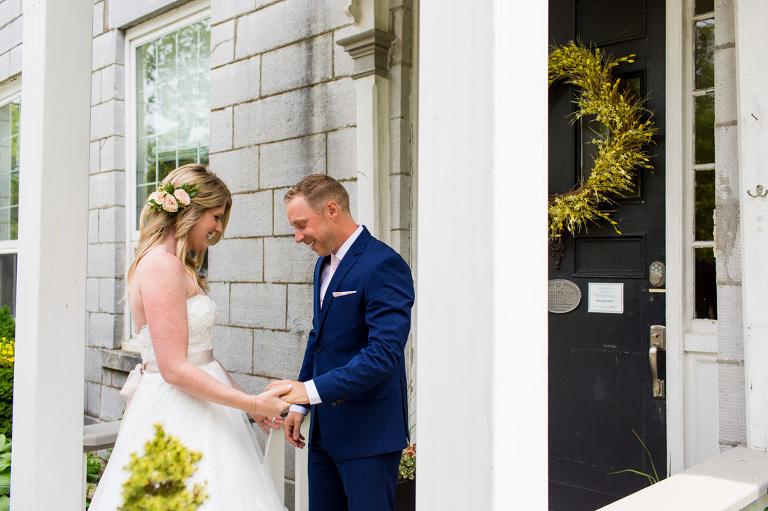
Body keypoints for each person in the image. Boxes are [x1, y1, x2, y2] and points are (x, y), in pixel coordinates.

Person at [90, 164, 291, 510]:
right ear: (191, 212)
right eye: (214, 216)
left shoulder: (176, 265)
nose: (217, 228)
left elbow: (203, 358)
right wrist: (255, 404)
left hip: (204, 405)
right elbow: (174, 368)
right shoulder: (161, 265)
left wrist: (248, 404)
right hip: (177, 409)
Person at [268, 174, 415, 511]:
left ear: (332, 209)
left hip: (369, 436)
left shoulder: (384, 264)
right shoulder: (323, 265)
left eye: (302, 225)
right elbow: (318, 340)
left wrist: (310, 391)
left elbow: (383, 354)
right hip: (323, 435)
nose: (297, 237)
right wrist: (300, 404)